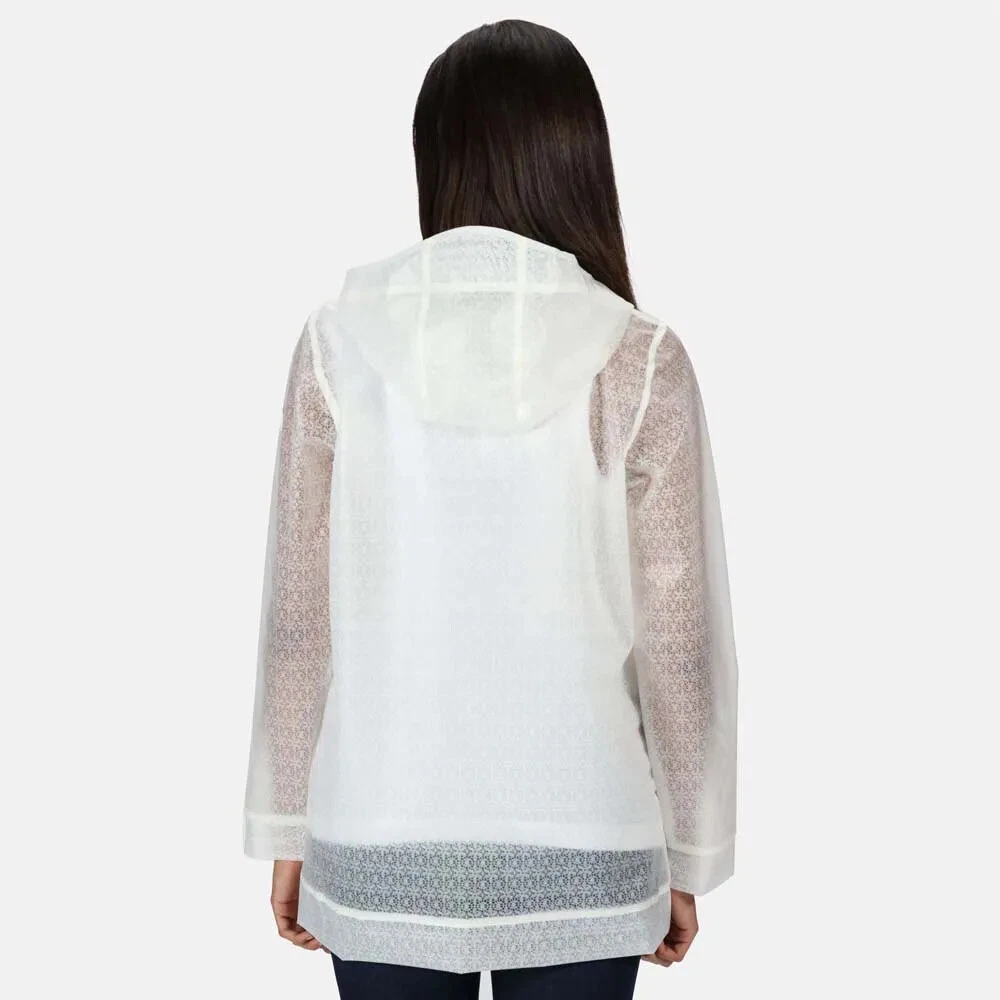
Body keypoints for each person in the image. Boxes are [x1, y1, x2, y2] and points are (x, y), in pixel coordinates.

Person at [243, 18, 739, 1000]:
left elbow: (301, 617)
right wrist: (688, 850)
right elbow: (677, 637)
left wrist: (288, 828)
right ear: (577, 160)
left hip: (379, 836)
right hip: (588, 840)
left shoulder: (339, 345)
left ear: (438, 160)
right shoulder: (636, 357)